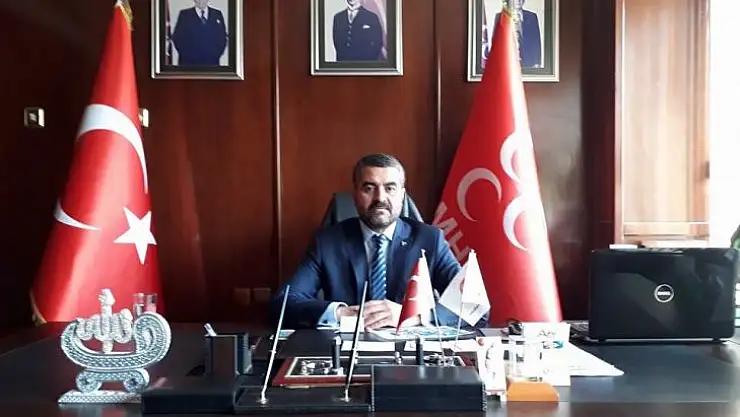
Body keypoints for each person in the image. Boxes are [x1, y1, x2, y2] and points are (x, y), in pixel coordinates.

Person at [269, 153, 485, 330]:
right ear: (355, 195)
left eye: (390, 188)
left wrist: (411, 316)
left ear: (402, 195)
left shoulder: (430, 240)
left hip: (409, 355)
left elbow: (475, 307)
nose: (380, 198)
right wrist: (341, 313)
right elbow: (283, 303)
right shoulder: (327, 242)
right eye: (369, 188)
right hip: (347, 352)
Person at [171, 0, 228, 66]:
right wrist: (186, 55)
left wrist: (217, 54)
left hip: (212, 61)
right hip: (189, 62)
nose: (201, 1)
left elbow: (222, 36)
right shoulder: (185, 14)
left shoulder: (217, 14)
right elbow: (177, 37)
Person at [492, 0, 542, 68]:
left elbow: (536, 42)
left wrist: (537, 62)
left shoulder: (532, 17)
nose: (518, 1)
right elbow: (496, 42)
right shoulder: (500, 17)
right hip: (507, 62)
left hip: (528, 63)